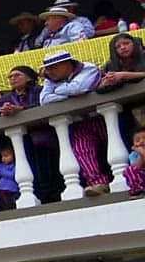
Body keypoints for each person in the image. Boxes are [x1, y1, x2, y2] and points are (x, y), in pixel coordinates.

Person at [39, 48, 110, 196]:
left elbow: (79, 88)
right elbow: (44, 100)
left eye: (53, 67)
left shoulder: (88, 68)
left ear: (67, 64)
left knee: (121, 143)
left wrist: (57, 91)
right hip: (79, 122)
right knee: (82, 150)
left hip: (101, 117)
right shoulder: (50, 79)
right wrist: (69, 93)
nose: (49, 72)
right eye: (48, 68)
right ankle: (97, 183)